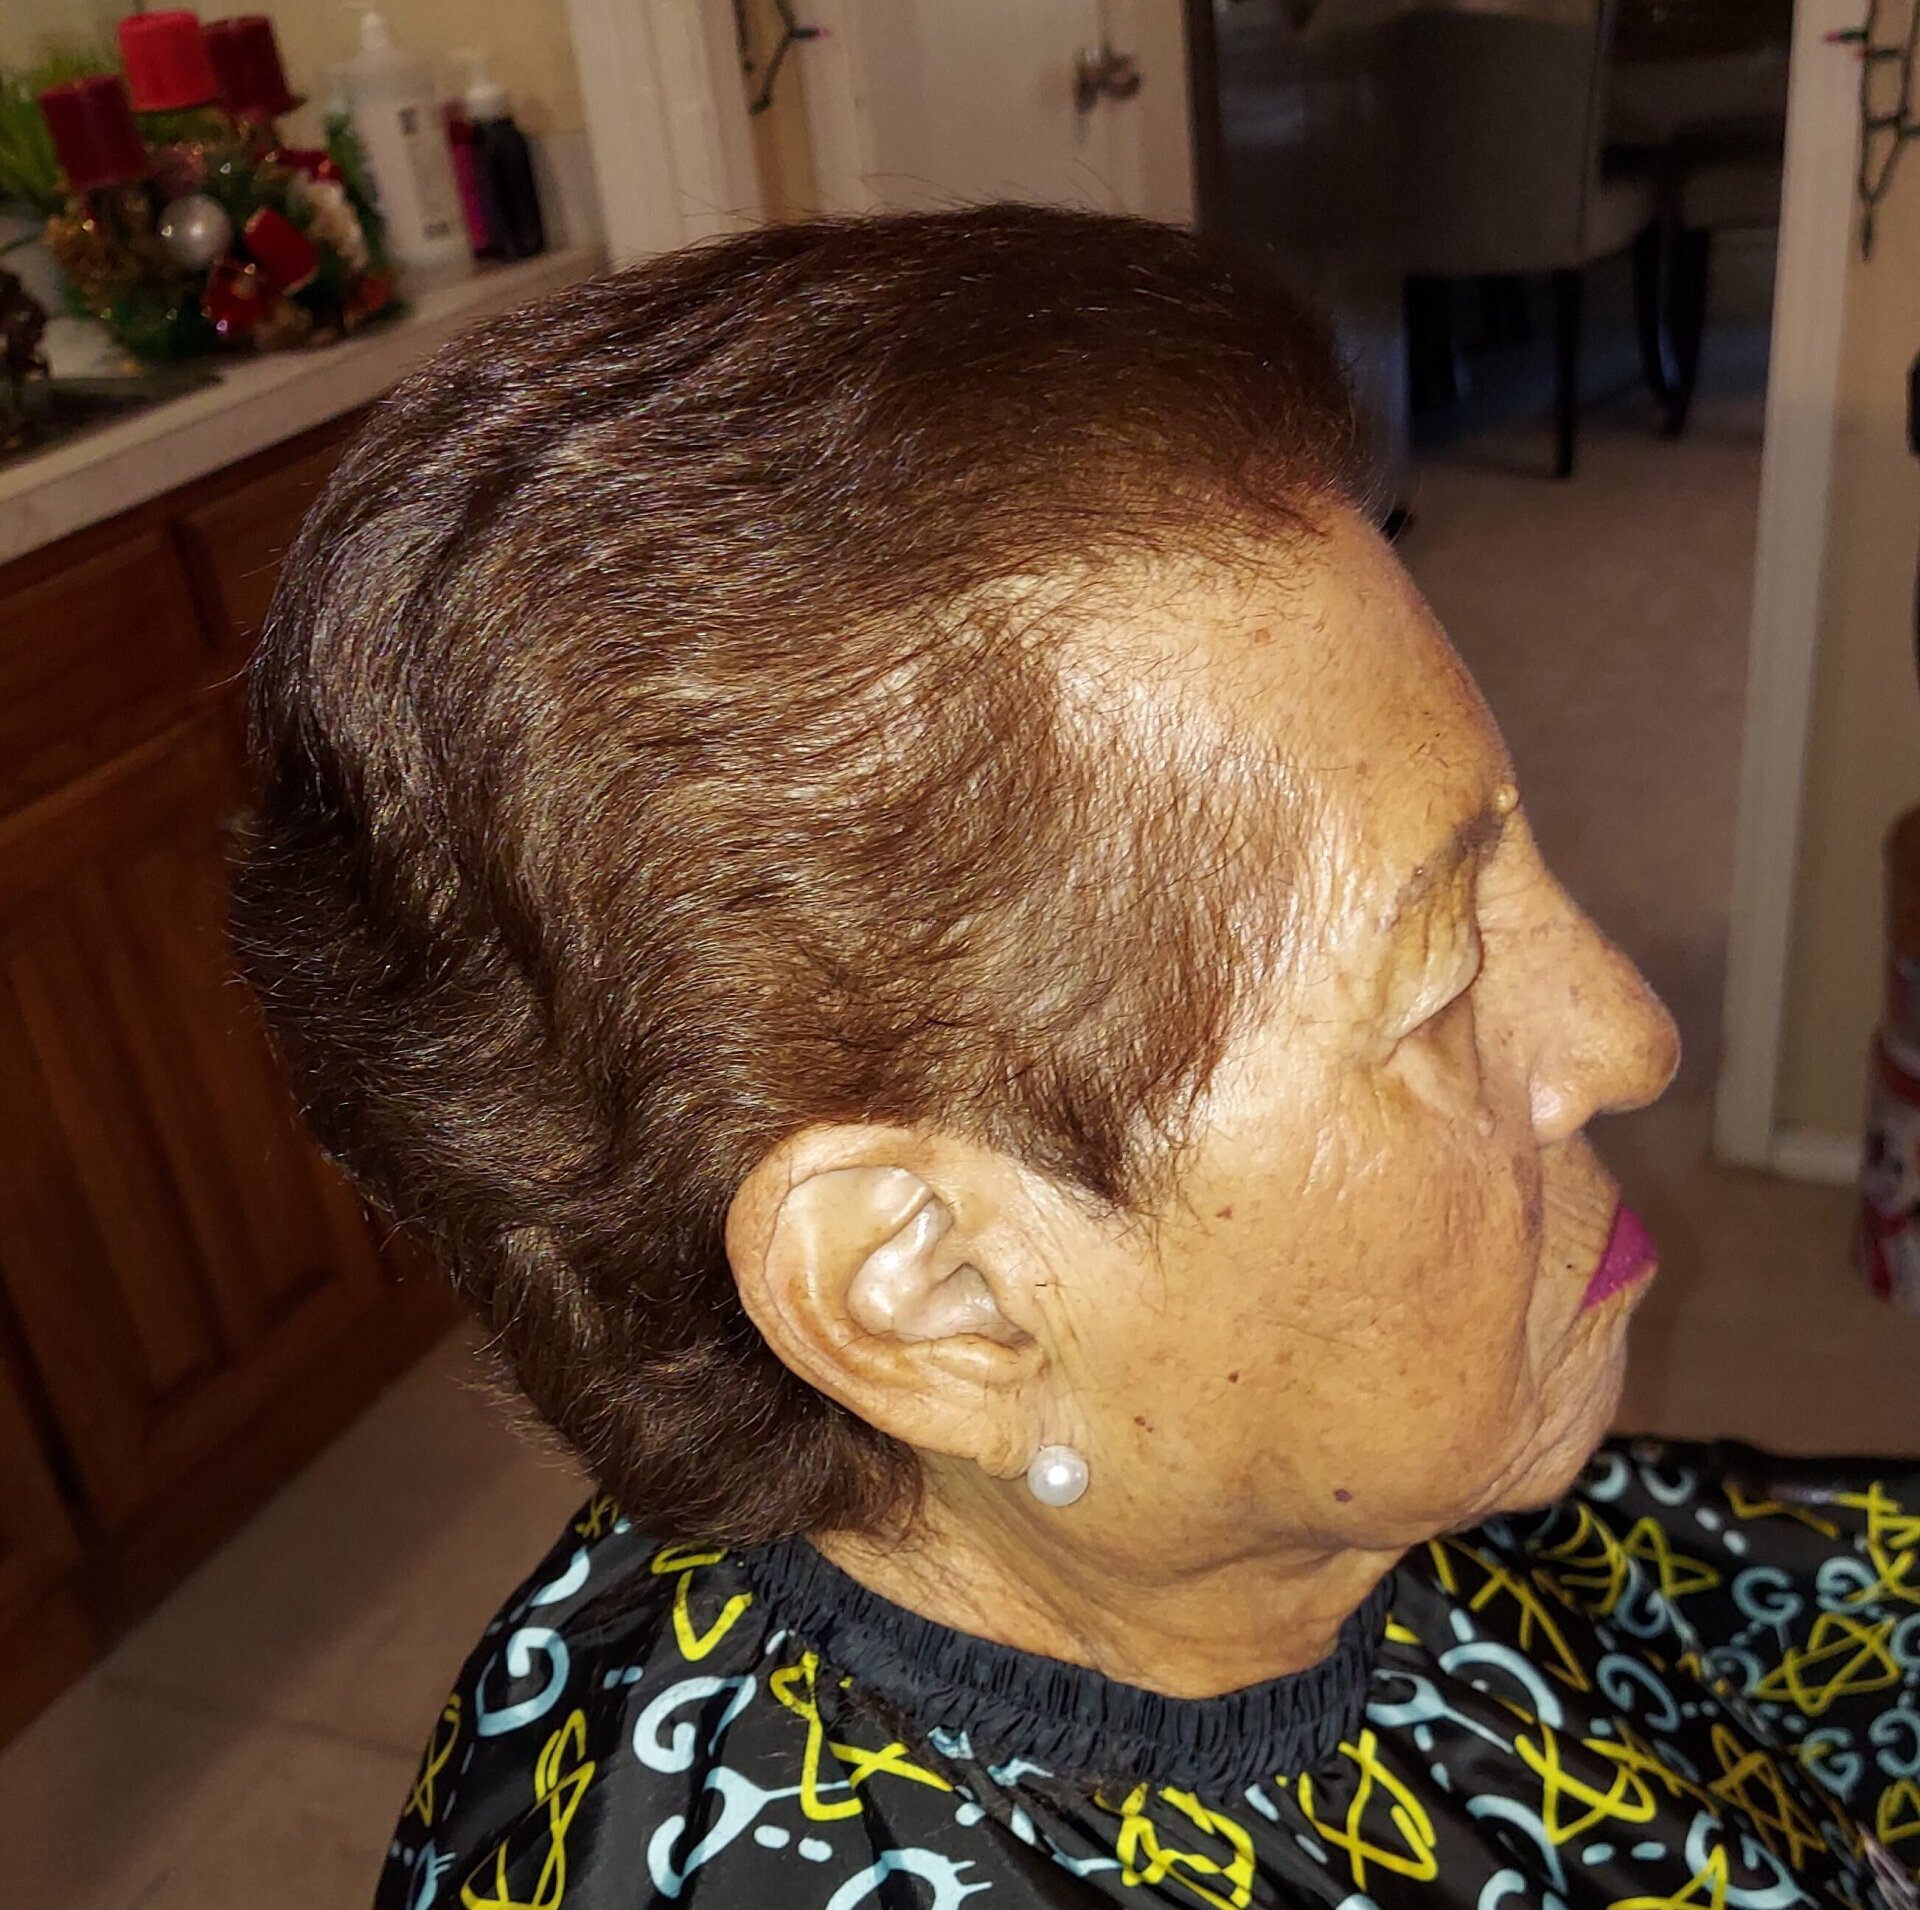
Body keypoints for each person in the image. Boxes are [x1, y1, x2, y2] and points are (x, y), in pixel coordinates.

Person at [234, 207, 1920, 1910]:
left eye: (1512, 857)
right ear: (940, 1286)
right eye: (1436, 985)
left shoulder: (1280, 1498)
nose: (1633, 1034)